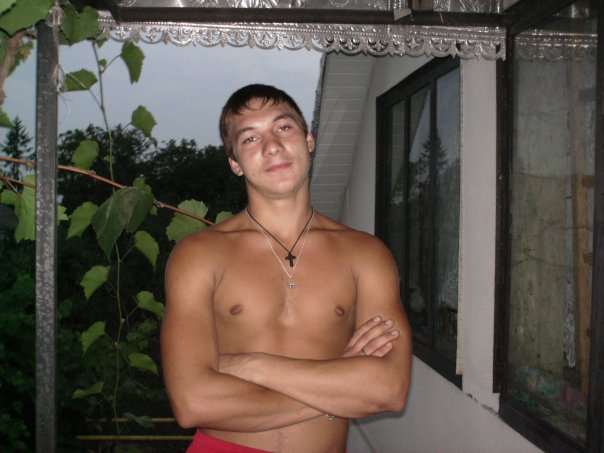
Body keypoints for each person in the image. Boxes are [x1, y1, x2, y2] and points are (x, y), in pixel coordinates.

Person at [161, 84, 412, 453]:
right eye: (250, 138)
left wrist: (253, 365)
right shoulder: (199, 254)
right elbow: (193, 403)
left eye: (283, 127)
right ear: (234, 162)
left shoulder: (365, 254)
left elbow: (388, 389)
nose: (272, 146)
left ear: (308, 140)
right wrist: (341, 384)